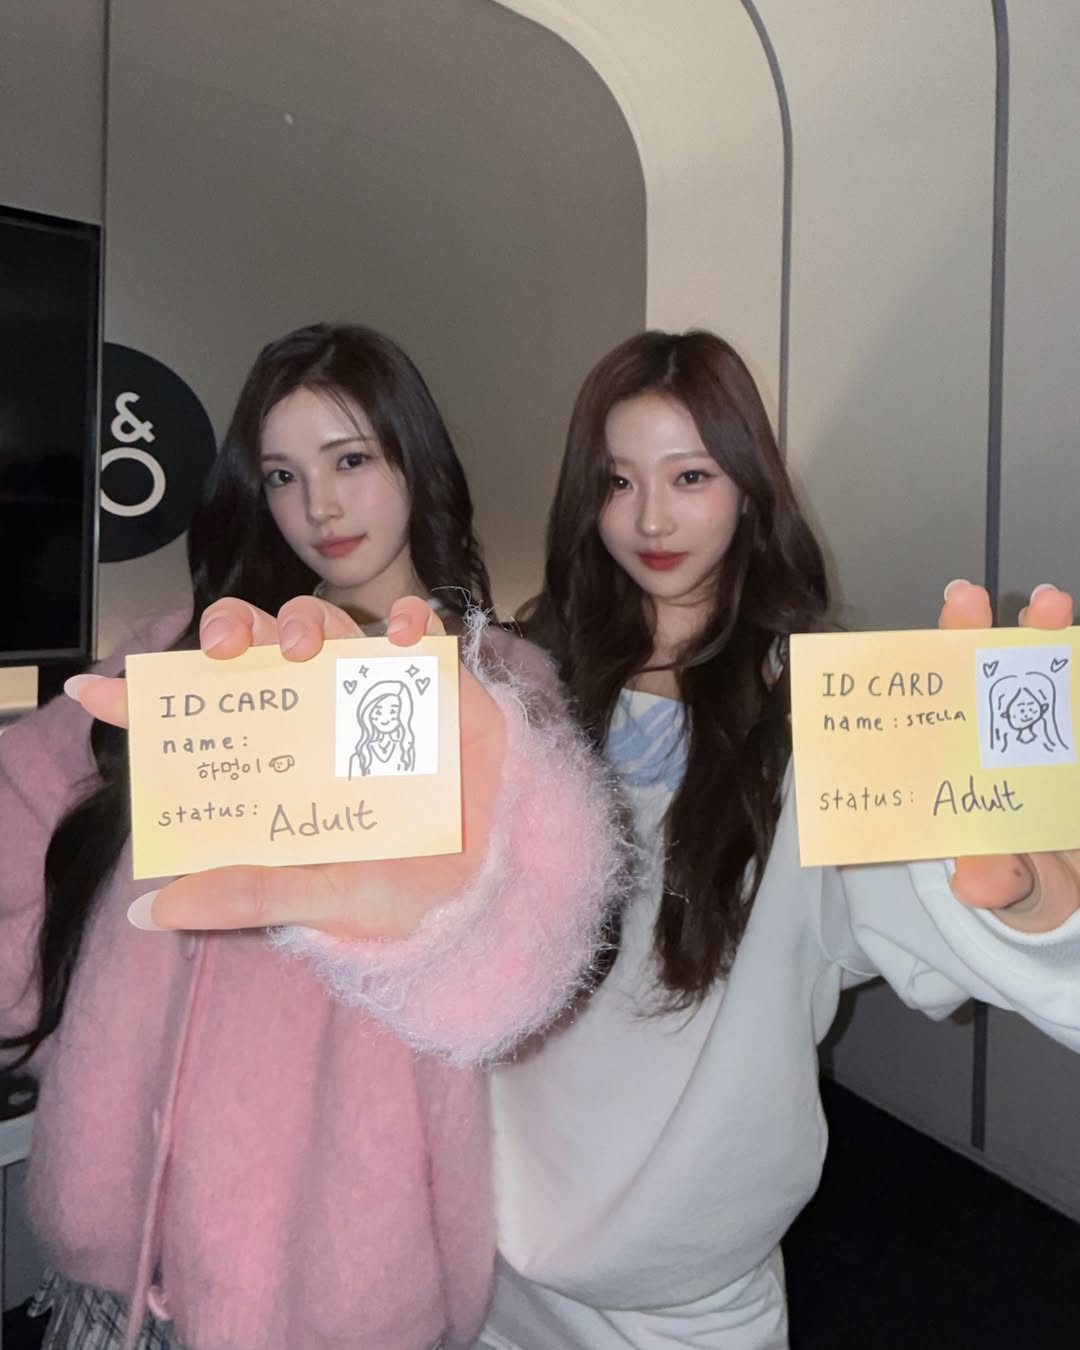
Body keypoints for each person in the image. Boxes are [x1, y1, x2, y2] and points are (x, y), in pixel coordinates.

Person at [0, 323, 623, 1350]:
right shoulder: (187, 654)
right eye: (284, 475)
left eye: (350, 461)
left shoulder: (497, 697)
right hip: (122, 1245)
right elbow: (22, 810)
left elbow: (531, 958)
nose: (318, 507)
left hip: (333, 1267)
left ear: (415, 462)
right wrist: (71, 1018)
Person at [466, 330, 1079, 1350]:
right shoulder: (531, 682)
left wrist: (1041, 915)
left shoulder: (824, 715)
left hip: (683, 1278)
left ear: (750, 490)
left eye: (690, 476)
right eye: (618, 481)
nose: (650, 518)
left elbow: (965, 904)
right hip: (489, 1236)